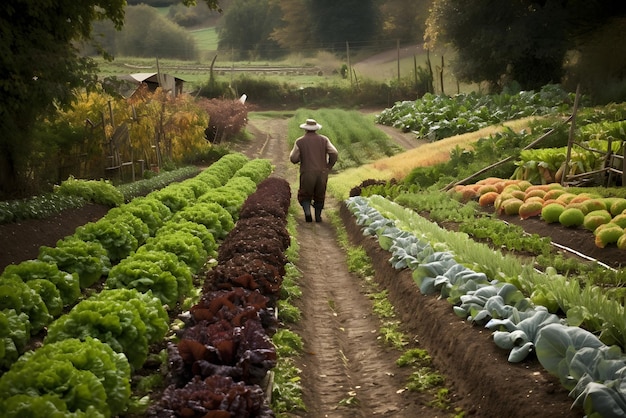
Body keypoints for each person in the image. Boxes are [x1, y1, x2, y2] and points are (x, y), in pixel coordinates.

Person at [289, 118, 339, 223]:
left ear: (305, 129)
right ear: (316, 129)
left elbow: (293, 158)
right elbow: (334, 152)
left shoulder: (300, 141)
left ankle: (307, 213)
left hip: (307, 172)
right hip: (322, 172)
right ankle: (318, 217)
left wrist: (299, 159)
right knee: (320, 194)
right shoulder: (324, 140)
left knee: (305, 194)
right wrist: (329, 165)